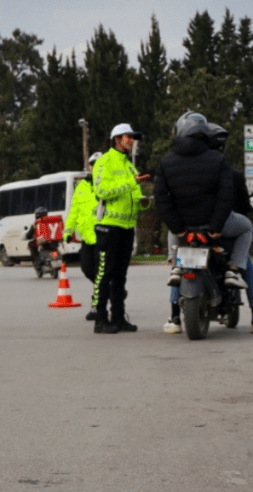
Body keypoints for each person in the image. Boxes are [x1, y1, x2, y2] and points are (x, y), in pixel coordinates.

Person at [163, 122, 253, 334]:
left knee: (181, 265)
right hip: (220, 231)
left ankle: (174, 317)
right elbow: (238, 206)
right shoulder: (228, 171)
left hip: (187, 228)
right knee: (246, 263)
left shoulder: (179, 165)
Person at [155, 110, 253, 294]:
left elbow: (161, 199)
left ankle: (175, 265)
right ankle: (233, 270)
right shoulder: (218, 160)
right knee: (246, 226)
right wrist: (215, 226)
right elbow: (226, 196)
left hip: (184, 225)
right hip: (214, 225)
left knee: (171, 230)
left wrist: (177, 227)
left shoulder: (166, 162)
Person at [91, 124, 151, 334]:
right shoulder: (104, 161)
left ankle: (118, 317)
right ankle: (100, 320)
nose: (131, 140)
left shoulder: (128, 165)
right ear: (117, 139)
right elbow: (101, 191)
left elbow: (134, 192)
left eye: (133, 137)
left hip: (127, 227)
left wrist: (144, 201)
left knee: (120, 276)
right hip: (109, 226)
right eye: (128, 136)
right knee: (104, 275)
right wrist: (130, 182)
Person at [65, 151, 103, 321]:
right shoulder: (81, 186)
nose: (95, 167)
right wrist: (68, 230)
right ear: (89, 167)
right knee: (87, 269)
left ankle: (96, 307)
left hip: (104, 238)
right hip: (87, 238)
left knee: (100, 273)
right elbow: (74, 211)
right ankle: (105, 290)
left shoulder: (108, 185)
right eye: (93, 164)